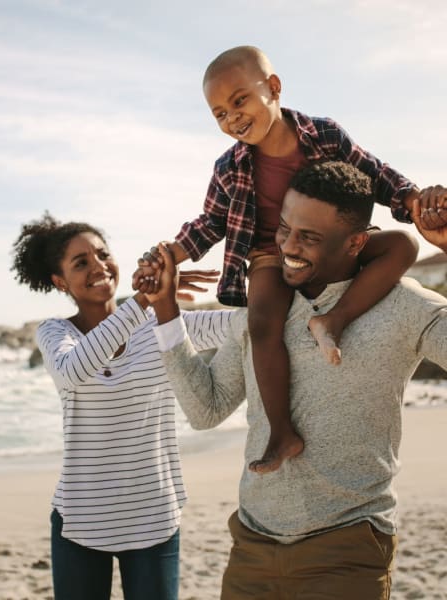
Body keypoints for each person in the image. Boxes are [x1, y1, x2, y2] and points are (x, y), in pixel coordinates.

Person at [135, 45, 447, 474]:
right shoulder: (229, 167)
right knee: (262, 321)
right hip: (270, 253)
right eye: (220, 114)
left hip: (334, 246)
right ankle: (282, 433)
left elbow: (375, 174)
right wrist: (173, 252)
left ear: (274, 88)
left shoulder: (324, 135)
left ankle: (333, 320)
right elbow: (211, 222)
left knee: (402, 247)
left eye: (240, 100)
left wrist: (414, 201)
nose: (233, 118)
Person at [143, 160, 447, 599]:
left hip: (348, 551)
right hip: (252, 547)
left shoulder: (405, 307)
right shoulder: (261, 311)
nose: (287, 246)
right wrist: (166, 311)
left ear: (357, 242)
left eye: (309, 237)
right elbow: (205, 409)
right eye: (285, 228)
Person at [10, 212, 232, 600]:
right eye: (81, 263)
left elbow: (243, 325)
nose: (98, 266)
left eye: (102, 254)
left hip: (154, 518)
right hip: (81, 521)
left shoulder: (162, 323)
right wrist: (144, 301)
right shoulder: (55, 333)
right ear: (60, 281)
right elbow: (74, 370)